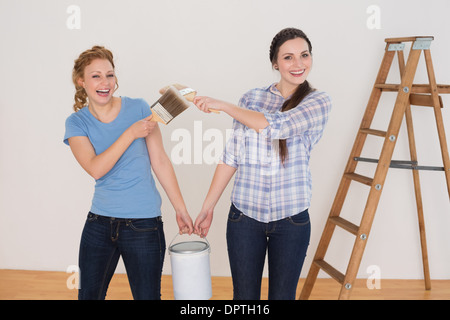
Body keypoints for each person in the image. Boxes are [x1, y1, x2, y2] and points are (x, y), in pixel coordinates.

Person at [193, 28, 332, 300]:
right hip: (244, 217)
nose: (298, 64)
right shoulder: (251, 99)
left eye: (304, 55)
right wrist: (207, 207)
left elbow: (278, 126)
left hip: (291, 219)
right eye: (289, 57)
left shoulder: (318, 102)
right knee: (244, 299)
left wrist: (224, 105)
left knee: (282, 296)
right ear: (275, 63)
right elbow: (232, 156)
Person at [63, 46, 193, 300]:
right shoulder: (76, 122)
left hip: (144, 224)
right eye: (96, 76)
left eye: (109, 75)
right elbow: (96, 168)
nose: (105, 82)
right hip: (99, 224)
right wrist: (130, 133)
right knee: (89, 295)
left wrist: (181, 208)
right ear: (82, 82)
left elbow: (160, 162)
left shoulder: (140, 108)